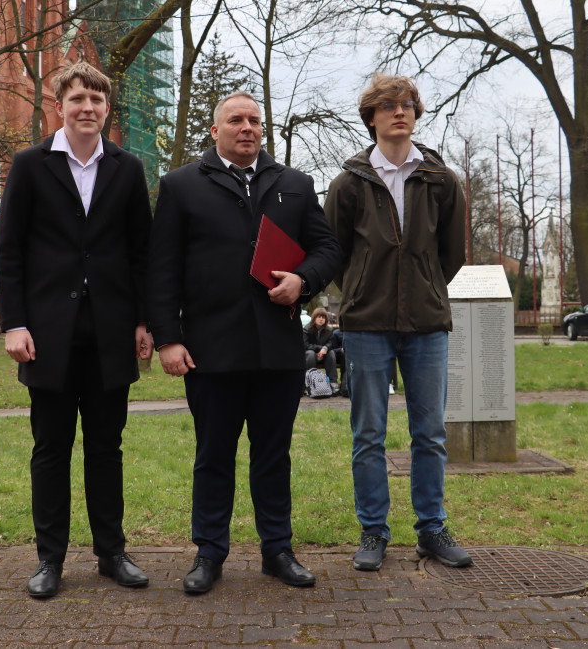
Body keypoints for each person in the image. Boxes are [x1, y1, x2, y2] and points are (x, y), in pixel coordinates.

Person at [148, 91, 341, 595]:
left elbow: (328, 249)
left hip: (277, 351)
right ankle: (209, 553)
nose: (248, 127)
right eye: (236, 120)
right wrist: (168, 339)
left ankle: (277, 550)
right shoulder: (181, 185)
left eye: (255, 120)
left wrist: (303, 280)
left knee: (273, 456)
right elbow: (161, 269)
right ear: (215, 131)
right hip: (210, 353)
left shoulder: (294, 185)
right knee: (214, 455)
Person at [0, 61, 153, 598]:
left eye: (97, 101)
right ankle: (50, 559)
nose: (88, 108)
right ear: (59, 106)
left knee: (106, 447)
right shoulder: (30, 165)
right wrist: (13, 323)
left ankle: (111, 553)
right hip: (47, 336)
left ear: (107, 109)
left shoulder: (127, 170)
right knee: (51, 449)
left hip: (110, 334)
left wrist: (142, 321)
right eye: (78, 99)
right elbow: (10, 250)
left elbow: (141, 255)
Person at [324, 73, 470, 571]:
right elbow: (335, 253)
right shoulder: (347, 183)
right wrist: (365, 290)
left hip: (427, 324)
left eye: (407, 104)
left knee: (429, 433)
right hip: (366, 324)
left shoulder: (441, 180)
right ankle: (373, 532)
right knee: (369, 433)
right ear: (371, 117)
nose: (399, 111)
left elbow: (451, 254)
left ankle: (431, 529)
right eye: (387, 105)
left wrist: (424, 286)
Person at [303, 306, 338, 385]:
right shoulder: (306, 329)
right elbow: (306, 345)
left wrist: (325, 348)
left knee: (331, 353)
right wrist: (320, 348)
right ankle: (309, 383)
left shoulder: (329, 330)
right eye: (319, 317)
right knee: (310, 354)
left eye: (323, 317)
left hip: (324, 356)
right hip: (310, 356)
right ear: (314, 318)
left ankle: (333, 383)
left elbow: (331, 343)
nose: (321, 319)